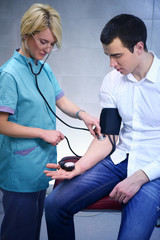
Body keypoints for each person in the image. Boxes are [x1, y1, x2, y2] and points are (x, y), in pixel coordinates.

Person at [44, 14, 160, 240]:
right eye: (108, 56)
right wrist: (79, 168)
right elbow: (108, 135)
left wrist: (139, 177)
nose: (111, 64)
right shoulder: (112, 81)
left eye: (117, 56)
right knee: (54, 203)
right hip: (120, 160)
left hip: (154, 168)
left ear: (138, 47)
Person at [0, 3, 100, 240]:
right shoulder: (9, 74)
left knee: (31, 232)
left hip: (41, 167)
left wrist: (84, 115)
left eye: (52, 44)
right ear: (26, 35)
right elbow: (2, 124)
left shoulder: (43, 69)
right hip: (20, 171)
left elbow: (61, 100)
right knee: (18, 234)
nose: (47, 48)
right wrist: (42, 133)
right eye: (43, 42)